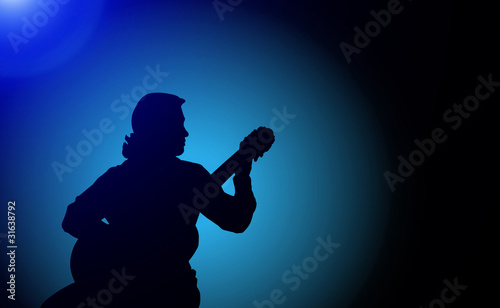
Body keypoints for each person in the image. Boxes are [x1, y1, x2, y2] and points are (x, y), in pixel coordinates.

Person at [42, 93, 257, 308]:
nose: (185, 132)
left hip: (165, 293)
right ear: (159, 129)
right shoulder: (186, 176)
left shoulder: (120, 178)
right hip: (151, 293)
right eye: (178, 124)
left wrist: (242, 174)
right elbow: (236, 220)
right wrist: (126, 243)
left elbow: (236, 220)